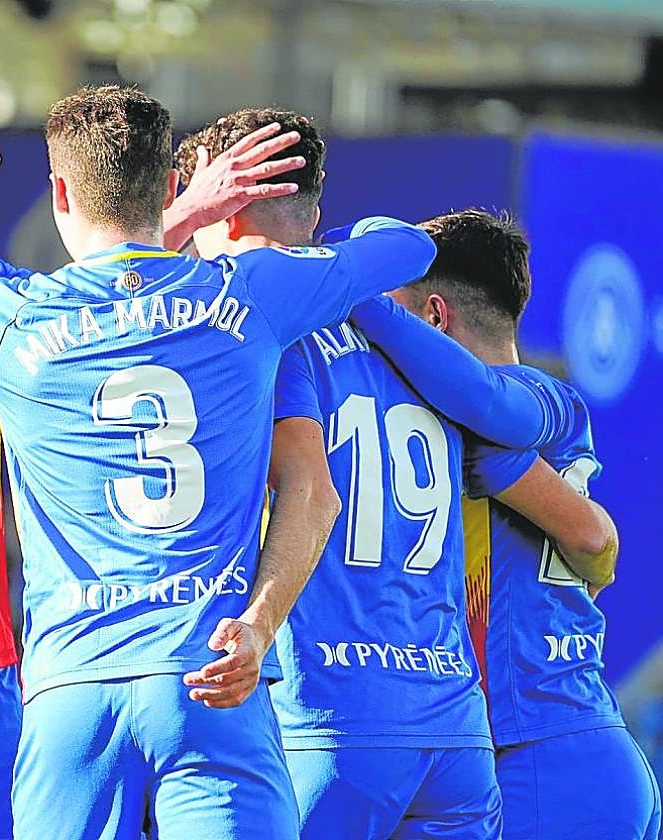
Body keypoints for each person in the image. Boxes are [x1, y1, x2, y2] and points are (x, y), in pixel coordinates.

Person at [0, 84, 436, 840]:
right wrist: (285, 249)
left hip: (73, 691)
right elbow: (411, 249)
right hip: (207, 675)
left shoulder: (10, 316)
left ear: (60, 193)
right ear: (170, 188)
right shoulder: (252, 293)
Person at [176, 110, 589, 839]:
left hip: (331, 721)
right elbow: (515, 427)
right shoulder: (419, 345)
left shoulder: (257, 331)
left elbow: (309, 491)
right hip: (453, 733)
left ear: (227, 211)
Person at [350, 209, 662, 839]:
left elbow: (592, 537)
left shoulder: (506, 408)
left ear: (435, 317)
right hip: (560, 744)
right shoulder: (497, 414)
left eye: (397, 313)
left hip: (540, 759)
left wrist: (354, 294)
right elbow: (596, 544)